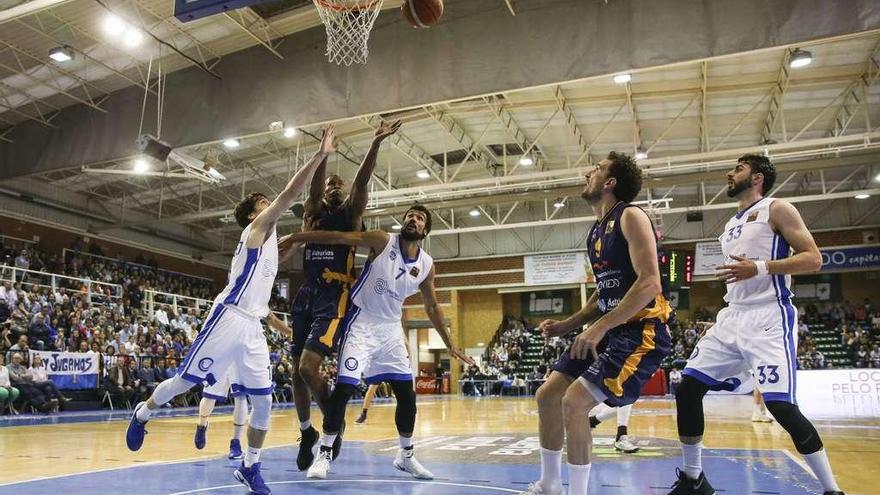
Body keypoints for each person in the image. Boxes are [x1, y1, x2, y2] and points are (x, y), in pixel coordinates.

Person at [125, 125, 336, 495]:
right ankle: (143, 413)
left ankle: (250, 467)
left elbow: (290, 246)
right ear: (256, 213)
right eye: (263, 203)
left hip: (253, 327)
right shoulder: (256, 229)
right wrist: (319, 156)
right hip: (229, 317)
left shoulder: (270, 244)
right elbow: (289, 194)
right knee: (184, 383)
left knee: (264, 401)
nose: (270, 205)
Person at [667, 154, 842, 495]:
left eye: (738, 169)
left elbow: (813, 258)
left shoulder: (778, 209)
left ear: (757, 177)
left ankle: (832, 489)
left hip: (768, 316)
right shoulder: (731, 225)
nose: (730, 174)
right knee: (687, 388)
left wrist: (759, 268)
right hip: (733, 316)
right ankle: (694, 480)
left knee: (780, 406)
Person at [277, 204, 475, 480]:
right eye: (410, 216)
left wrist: (450, 342)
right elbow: (338, 237)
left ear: (425, 230)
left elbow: (432, 307)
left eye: (419, 218)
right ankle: (324, 453)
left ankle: (405, 456)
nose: (413, 220)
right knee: (345, 389)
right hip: (361, 322)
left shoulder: (427, 265)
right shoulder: (382, 241)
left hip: (390, 329)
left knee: (407, 395)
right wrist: (298, 238)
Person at [519, 152, 672, 495]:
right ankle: (550, 484)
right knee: (547, 396)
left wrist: (599, 327)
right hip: (611, 327)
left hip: (641, 331)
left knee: (574, 403)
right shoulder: (595, 231)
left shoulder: (630, 216)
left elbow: (650, 283)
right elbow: (604, 293)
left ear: (610, 182)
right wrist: (568, 324)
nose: (589, 172)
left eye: (598, 169)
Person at [290, 120, 401, 471]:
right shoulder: (312, 213)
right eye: (331, 185)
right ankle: (308, 432)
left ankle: (331, 426)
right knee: (297, 372)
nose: (335, 188)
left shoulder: (351, 217)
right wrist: (323, 156)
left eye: (340, 184)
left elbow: (362, 182)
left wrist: (375, 144)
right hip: (306, 293)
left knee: (309, 368)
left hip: (335, 295)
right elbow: (315, 186)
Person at [194, 313, 292, 461]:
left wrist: (290, 332)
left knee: (240, 396)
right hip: (220, 349)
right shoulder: (227, 299)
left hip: (242, 351)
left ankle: (236, 443)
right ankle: (202, 424)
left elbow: (270, 317)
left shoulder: (256, 300)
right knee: (208, 398)